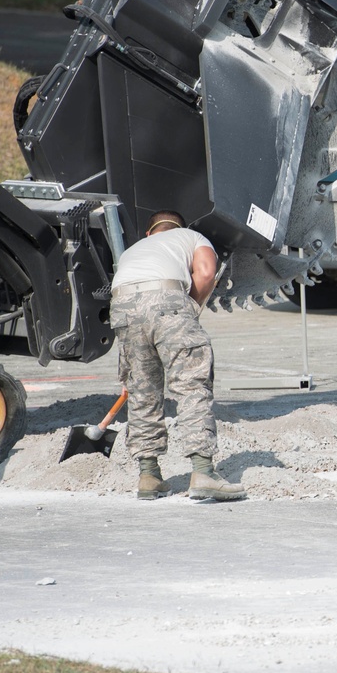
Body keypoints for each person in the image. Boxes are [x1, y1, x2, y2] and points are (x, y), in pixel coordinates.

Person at [109, 210, 244, 502]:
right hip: (167, 300)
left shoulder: (133, 250)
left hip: (121, 304)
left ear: (149, 233)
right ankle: (203, 472)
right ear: (178, 229)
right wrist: (190, 308)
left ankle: (149, 476)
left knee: (142, 390)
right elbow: (207, 271)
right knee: (191, 384)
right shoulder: (191, 237)